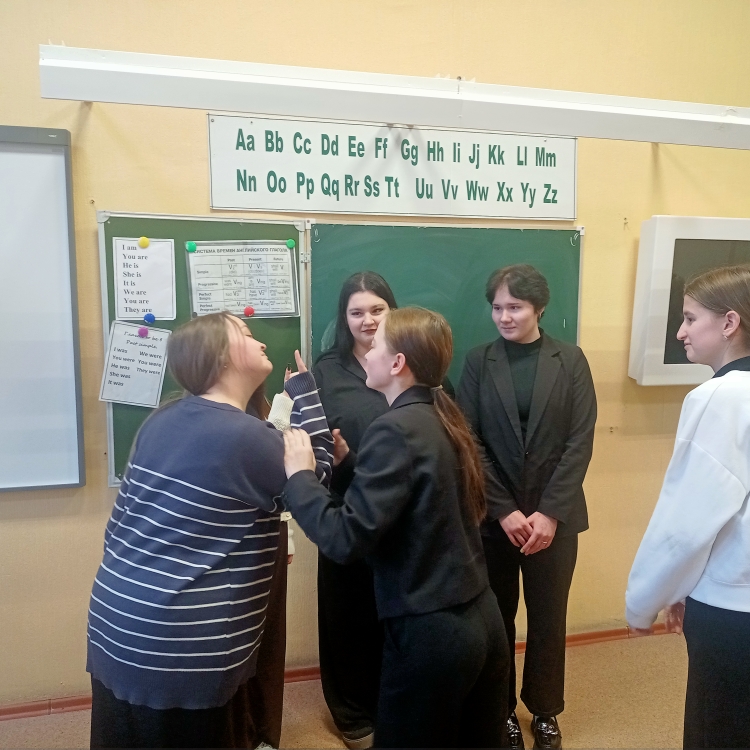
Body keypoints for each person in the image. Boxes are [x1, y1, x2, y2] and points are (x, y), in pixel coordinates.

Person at [86, 311, 332, 749]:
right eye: (247, 334)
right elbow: (315, 480)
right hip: (182, 649)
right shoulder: (245, 437)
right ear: (220, 356)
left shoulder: (163, 419)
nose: (261, 342)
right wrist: (305, 393)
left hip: (118, 624)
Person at [283, 306, 510, 749]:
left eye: (376, 345)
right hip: (481, 620)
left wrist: (300, 477)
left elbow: (344, 539)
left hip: (433, 635)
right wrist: (348, 464)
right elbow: (413, 504)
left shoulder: (394, 429)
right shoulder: (439, 414)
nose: (366, 352)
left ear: (397, 363)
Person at [457, 264, 597, 750]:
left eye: (514, 307)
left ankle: (544, 709)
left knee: (548, 619)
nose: (504, 316)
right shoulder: (478, 362)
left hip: (554, 520)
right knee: (497, 621)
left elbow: (580, 440)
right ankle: (501, 713)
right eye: (497, 307)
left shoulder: (570, 360)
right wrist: (503, 510)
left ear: (539, 308)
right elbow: (468, 440)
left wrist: (550, 512)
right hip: (495, 522)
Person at [626, 265, 750, 749]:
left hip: (733, 612)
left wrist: (645, 599)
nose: (681, 332)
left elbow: (686, 523)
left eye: (691, 318)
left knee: (718, 730)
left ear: (729, 322)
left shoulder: (720, 398)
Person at [311, 271, 397, 749]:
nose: (368, 320)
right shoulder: (326, 372)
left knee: (393, 612)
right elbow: (306, 442)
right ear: (343, 318)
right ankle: (352, 713)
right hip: (345, 511)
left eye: (377, 309)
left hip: (403, 515)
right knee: (347, 615)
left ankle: (392, 703)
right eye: (357, 312)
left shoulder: (414, 361)